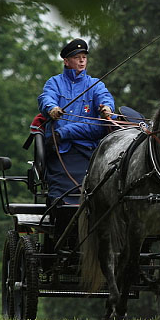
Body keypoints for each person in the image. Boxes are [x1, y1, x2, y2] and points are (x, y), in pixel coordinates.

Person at [37, 38, 115, 204]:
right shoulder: (55, 82)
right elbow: (46, 97)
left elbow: (104, 98)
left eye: (84, 57)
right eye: (77, 57)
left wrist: (107, 108)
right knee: (60, 200)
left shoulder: (95, 85)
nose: (81, 60)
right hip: (61, 152)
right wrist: (51, 108)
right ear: (66, 61)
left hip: (88, 153)